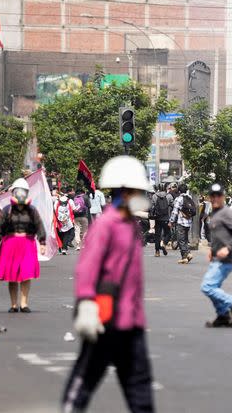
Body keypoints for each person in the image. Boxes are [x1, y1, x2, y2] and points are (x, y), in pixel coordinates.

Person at [62, 155, 155, 412]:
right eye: (137, 191)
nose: (141, 195)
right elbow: (87, 269)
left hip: (131, 321)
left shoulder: (130, 226)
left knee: (140, 386)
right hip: (105, 317)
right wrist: (85, 304)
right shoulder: (106, 225)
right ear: (124, 191)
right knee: (84, 380)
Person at [0, 178, 46, 313]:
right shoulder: (7, 210)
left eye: (23, 191)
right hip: (10, 244)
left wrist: (42, 242)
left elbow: (39, 226)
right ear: (13, 193)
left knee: (26, 275)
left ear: (27, 193)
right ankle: (14, 304)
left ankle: (24, 304)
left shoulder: (32, 210)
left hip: (27, 244)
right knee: (12, 276)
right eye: (18, 191)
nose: (20, 194)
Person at [200, 183, 232, 328]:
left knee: (207, 287)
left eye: (218, 195)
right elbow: (219, 234)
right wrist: (212, 251)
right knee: (214, 289)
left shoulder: (227, 212)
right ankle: (223, 315)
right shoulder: (214, 212)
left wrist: (228, 248)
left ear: (223, 197)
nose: (215, 198)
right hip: (217, 258)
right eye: (212, 196)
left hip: (227, 259)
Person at [169, 184, 195, 264]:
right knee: (185, 239)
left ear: (179, 191)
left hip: (181, 222)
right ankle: (188, 253)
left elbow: (175, 211)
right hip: (188, 222)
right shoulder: (190, 198)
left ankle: (184, 257)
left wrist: (171, 221)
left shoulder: (179, 199)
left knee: (181, 240)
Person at [148, 184, 171, 257]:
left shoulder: (154, 196)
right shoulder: (168, 196)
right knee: (168, 233)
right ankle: (164, 244)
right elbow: (172, 205)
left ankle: (157, 252)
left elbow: (151, 206)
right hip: (166, 218)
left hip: (157, 218)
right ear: (165, 188)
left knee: (157, 235)